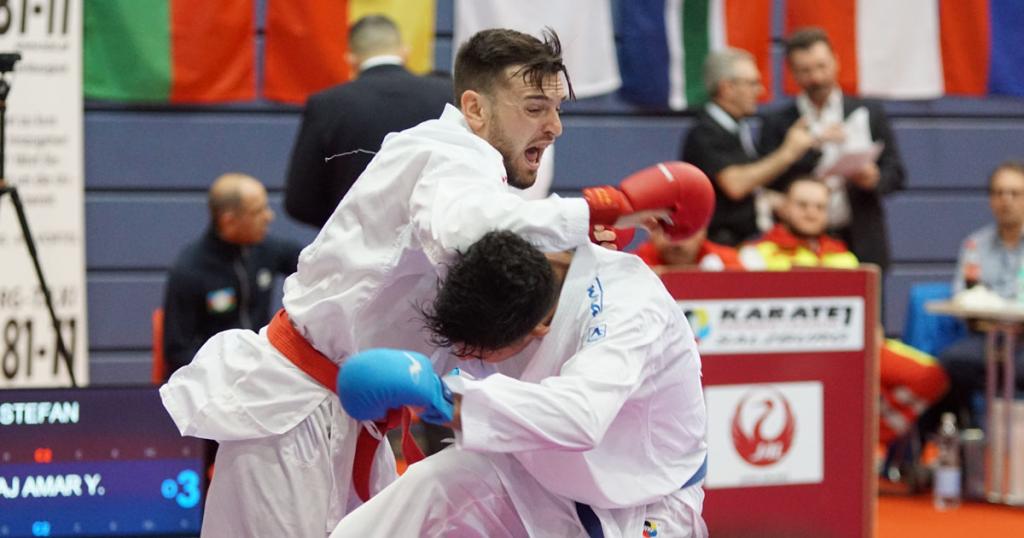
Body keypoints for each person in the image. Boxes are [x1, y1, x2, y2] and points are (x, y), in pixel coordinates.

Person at [160, 28, 712, 537]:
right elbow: (464, 227)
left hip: (375, 416)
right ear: (474, 108)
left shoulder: (587, 273)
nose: (554, 127)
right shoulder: (447, 155)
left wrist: (580, 239)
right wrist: (593, 211)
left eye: (558, 109)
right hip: (299, 409)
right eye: (535, 108)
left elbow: (570, 403)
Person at [331, 230, 708, 537]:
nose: (464, 359)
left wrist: (445, 399)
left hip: (643, 496)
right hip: (537, 471)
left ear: (540, 326)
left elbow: (580, 417)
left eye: (479, 352)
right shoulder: (521, 248)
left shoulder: (630, 310)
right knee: (429, 485)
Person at [740, 178, 947, 446]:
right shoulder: (755, 256)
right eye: (802, 205)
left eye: (819, 207)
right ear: (784, 208)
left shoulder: (844, 257)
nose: (811, 212)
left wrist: (873, 330)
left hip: (852, 350)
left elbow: (866, 314)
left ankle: (867, 442)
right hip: (785, 359)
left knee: (930, 376)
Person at [283, 14, 454, 228]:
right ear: (405, 52)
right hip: (435, 243)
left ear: (351, 60)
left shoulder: (326, 104)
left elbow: (299, 203)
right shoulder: (447, 94)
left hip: (355, 249)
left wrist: (348, 226)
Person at [759, 27, 906, 271]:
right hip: (797, 244)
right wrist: (812, 146)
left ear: (836, 62)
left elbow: (896, 173)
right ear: (792, 73)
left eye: (821, 66)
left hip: (860, 236)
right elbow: (772, 182)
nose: (816, 77)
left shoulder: (868, 112)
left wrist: (873, 178)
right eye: (805, 71)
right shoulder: (778, 122)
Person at [161, 172, 301, 380]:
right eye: (258, 211)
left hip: (264, 373)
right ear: (229, 221)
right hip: (217, 383)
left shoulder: (267, 250)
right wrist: (228, 374)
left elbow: (313, 263)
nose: (269, 216)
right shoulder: (189, 271)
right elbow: (178, 351)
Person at [681, 47, 817, 246]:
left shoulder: (736, 128)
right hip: (719, 248)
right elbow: (736, 185)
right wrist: (788, 153)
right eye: (752, 83)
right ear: (727, 88)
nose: (760, 91)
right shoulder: (705, 132)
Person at [934, 161, 1024, 428]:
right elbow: (961, 297)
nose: (1005, 200)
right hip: (985, 339)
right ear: (990, 200)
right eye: (998, 193)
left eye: (1015, 193)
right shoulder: (975, 244)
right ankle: (968, 436)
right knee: (950, 362)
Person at [633, 223, 743, 273]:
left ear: (702, 232)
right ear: (651, 233)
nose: (676, 242)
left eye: (684, 232)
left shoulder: (726, 260)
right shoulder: (636, 263)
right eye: (667, 231)